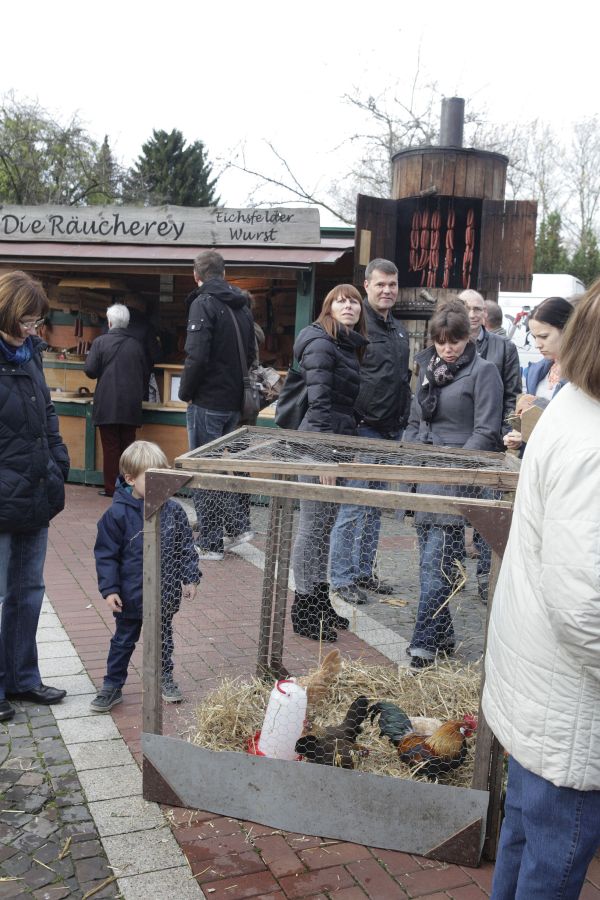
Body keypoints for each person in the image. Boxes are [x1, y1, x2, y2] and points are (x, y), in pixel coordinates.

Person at [482, 283, 600, 899]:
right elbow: (585, 605)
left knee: (527, 840)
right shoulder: (594, 441)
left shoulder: (572, 406)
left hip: (542, 692)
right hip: (571, 710)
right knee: (553, 866)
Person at [404, 301, 503, 669]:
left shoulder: (484, 371)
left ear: (468, 337)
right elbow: (415, 421)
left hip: (458, 476)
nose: (448, 349)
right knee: (430, 563)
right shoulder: (428, 369)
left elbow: (486, 430)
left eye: (455, 341)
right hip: (426, 475)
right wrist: (412, 460)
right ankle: (443, 636)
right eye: (441, 342)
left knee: (437, 564)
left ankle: (423, 645)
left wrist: (455, 469)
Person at [0, 271, 70, 719]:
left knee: (28, 591)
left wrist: (58, 463)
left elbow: (46, 412)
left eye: (36, 322)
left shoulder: (31, 356)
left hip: (35, 490)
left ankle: (23, 679)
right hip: (4, 494)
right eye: (26, 321)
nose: (31, 330)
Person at [91, 441, 201, 711]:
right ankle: (112, 685)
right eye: (151, 478)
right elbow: (106, 556)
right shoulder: (116, 514)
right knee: (123, 641)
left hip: (164, 594)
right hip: (130, 596)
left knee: (163, 640)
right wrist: (110, 590)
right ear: (130, 479)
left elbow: (185, 547)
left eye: (162, 476)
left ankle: (164, 678)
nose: (159, 484)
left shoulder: (173, 510)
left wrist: (190, 577)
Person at [329, 258, 412, 604]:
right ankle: (341, 577)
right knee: (353, 506)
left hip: (391, 432)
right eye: (380, 284)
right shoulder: (355, 324)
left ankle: (364, 572)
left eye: (392, 285)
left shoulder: (398, 329)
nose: (387, 290)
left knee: (375, 506)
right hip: (363, 430)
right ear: (367, 285)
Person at [290, 284, 368, 642]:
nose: (348, 305)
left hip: (335, 444)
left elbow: (343, 405)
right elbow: (319, 402)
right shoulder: (321, 342)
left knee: (324, 528)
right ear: (328, 307)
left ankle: (320, 600)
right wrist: (324, 456)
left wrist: (346, 446)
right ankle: (304, 608)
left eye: (353, 301)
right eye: (340, 300)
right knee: (311, 528)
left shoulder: (345, 344)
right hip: (317, 447)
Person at [179, 250, 256, 560]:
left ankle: (211, 543)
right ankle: (238, 526)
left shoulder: (203, 303)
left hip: (208, 400)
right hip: (235, 402)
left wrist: (185, 392)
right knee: (224, 468)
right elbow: (251, 353)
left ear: (196, 276)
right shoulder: (242, 306)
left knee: (203, 471)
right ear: (224, 273)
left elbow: (196, 355)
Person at [458, 289, 520, 602]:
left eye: (478, 308)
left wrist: (505, 433)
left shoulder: (504, 348)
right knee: (453, 511)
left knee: (488, 512)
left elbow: (512, 395)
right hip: (457, 443)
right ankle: (452, 572)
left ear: (485, 313)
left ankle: (486, 576)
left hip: (491, 445)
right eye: (466, 308)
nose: (472, 314)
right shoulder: (447, 341)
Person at [84, 304, 147, 497]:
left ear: (110, 322)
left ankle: (112, 488)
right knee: (128, 448)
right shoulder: (137, 345)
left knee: (110, 448)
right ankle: (129, 487)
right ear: (126, 323)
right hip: (131, 405)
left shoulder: (100, 342)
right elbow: (145, 372)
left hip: (107, 403)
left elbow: (90, 370)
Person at [504, 296, 574, 453]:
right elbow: (532, 424)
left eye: (544, 336)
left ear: (568, 329)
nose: (537, 344)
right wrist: (518, 437)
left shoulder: (585, 375)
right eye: (534, 337)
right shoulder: (537, 372)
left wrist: (528, 435)